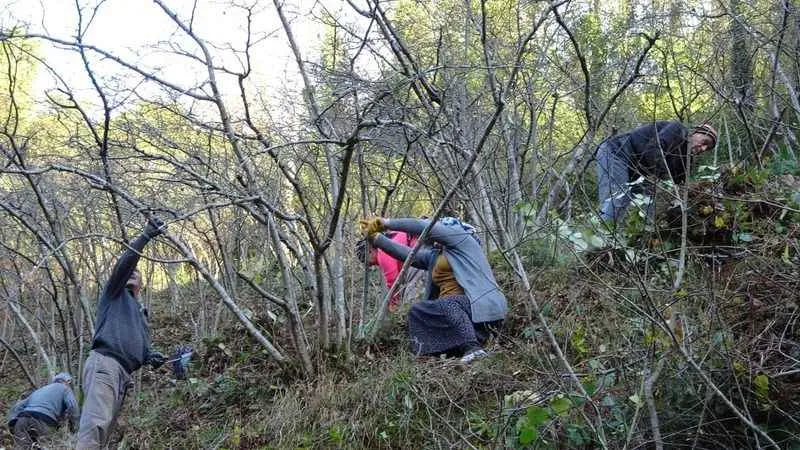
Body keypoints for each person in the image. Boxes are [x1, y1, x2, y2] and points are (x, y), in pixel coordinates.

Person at [361, 216, 507, 364]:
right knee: (417, 311)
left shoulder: (464, 240)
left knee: (448, 303)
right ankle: (440, 354)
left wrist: (387, 223)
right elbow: (407, 255)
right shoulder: (437, 255)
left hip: (479, 307)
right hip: (455, 313)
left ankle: (473, 348)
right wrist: (376, 239)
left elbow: (427, 227)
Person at [76, 217, 168, 450]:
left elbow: (141, 346)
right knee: (94, 427)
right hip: (105, 364)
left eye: (137, 272)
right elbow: (125, 264)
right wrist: (145, 236)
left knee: (104, 434)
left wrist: (150, 356)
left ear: (142, 283)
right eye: (130, 270)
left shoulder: (140, 313)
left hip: (123, 374)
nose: (132, 272)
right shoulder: (114, 293)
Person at [596, 121, 717, 224]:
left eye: (707, 149)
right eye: (704, 142)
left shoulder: (686, 160)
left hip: (638, 172)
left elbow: (679, 184)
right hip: (616, 152)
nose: (703, 148)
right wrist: (666, 179)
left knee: (648, 206)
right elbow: (654, 148)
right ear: (696, 132)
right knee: (617, 200)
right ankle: (599, 245)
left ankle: (641, 241)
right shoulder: (678, 129)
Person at [356, 231, 425, 312]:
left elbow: (393, 282)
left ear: (370, 251)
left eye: (366, 261)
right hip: (421, 250)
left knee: (411, 302)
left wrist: (393, 304)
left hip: (419, 252)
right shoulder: (389, 239)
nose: (370, 265)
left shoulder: (382, 252)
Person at [7, 372, 80, 449]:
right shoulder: (65, 389)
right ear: (68, 382)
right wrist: (75, 428)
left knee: (22, 447)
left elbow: (17, 407)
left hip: (22, 419)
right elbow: (72, 407)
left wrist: (12, 424)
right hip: (43, 421)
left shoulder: (40, 390)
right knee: (45, 447)